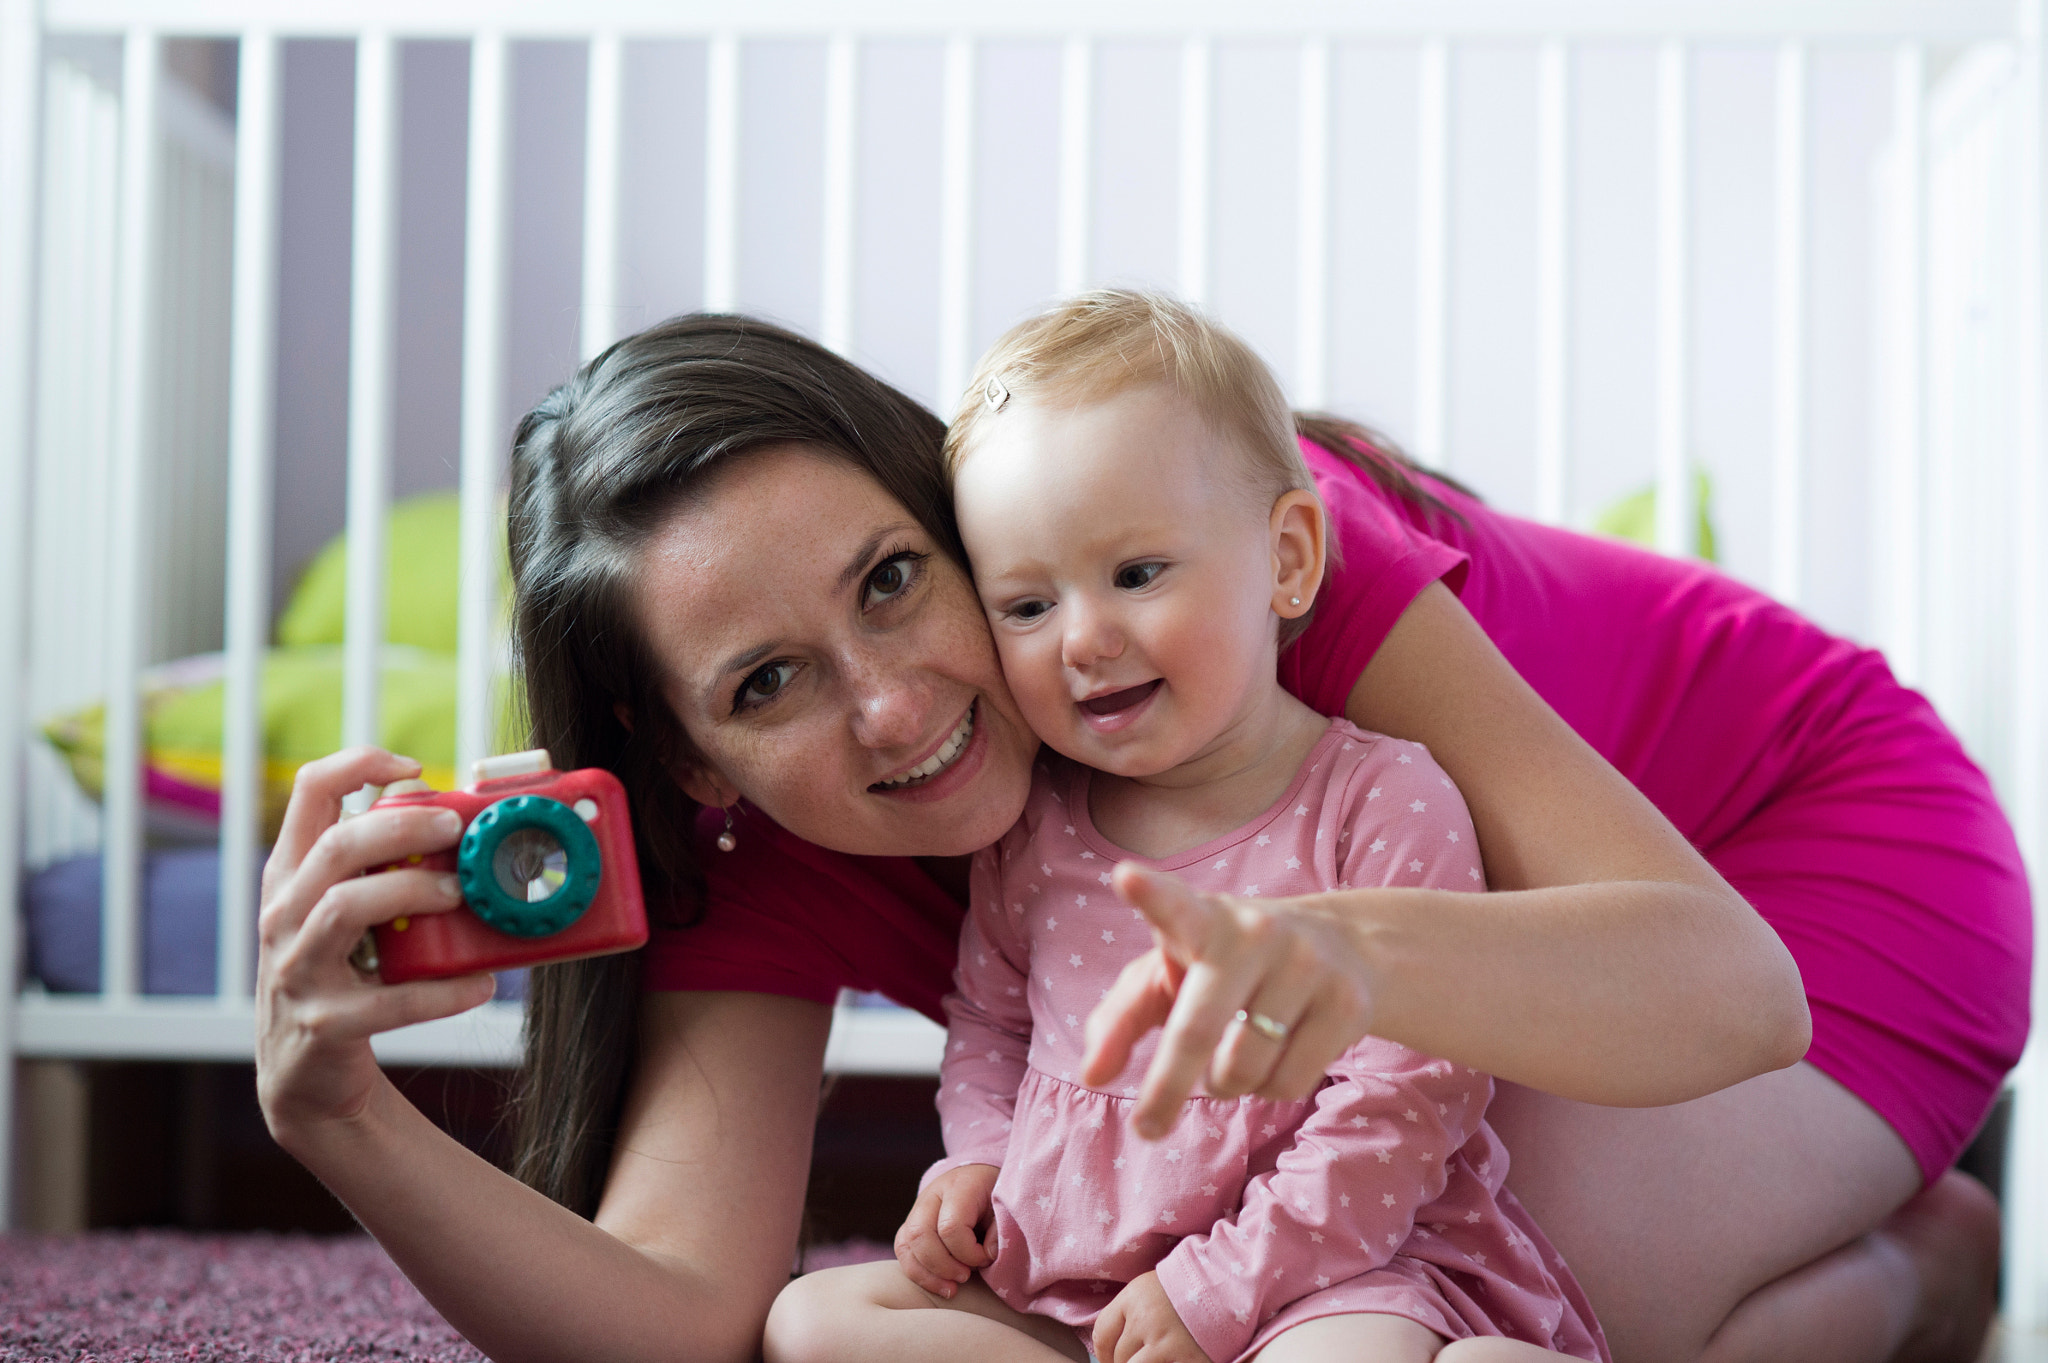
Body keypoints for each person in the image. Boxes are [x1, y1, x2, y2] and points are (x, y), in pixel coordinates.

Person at [252, 304, 2025, 1363]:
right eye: (768, 683)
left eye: (895, 581)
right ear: (690, 760)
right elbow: (676, 1315)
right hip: (1453, 1006)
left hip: (1798, 851)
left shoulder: (1201, 598)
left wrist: (1350, 949)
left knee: (1515, 1279)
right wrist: (334, 1112)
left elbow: (1729, 988)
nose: (893, 707)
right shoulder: (754, 842)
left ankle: (1906, 1267)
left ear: (954, 515)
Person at [767, 295, 1604, 1363]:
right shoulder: (1034, 828)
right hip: (1079, 1279)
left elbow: (1403, 1102)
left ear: (1287, 559)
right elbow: (989, 1025)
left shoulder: (1379, 799)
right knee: (815, 1322)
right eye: (1026, 605)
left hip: (1330, 1270)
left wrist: (1217, 1287)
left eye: (1135, 574)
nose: (1084, 638)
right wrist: (974, 1162)